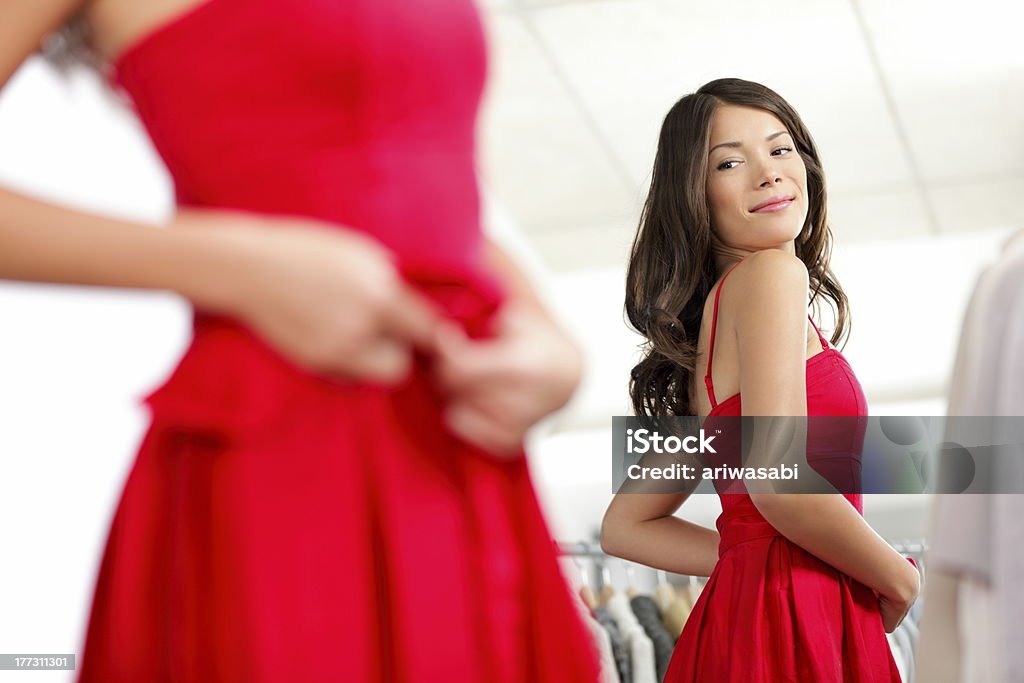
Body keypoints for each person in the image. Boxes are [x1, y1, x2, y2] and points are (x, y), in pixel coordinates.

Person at [0, 1, 601, 680]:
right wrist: (239, 269)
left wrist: (546, 332)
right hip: (287, 449)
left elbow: (420, 175)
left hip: (462, 444)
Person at [600, 78, 921, 681]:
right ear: (695, 194)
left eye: (780, 149)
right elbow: (782, 485)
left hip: (742, 618)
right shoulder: (773, 274)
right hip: (799, 613)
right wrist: (899, 577)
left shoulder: (704, 344)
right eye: (728, 161)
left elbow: (625, 525)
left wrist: (753, 554)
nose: (769, 174)